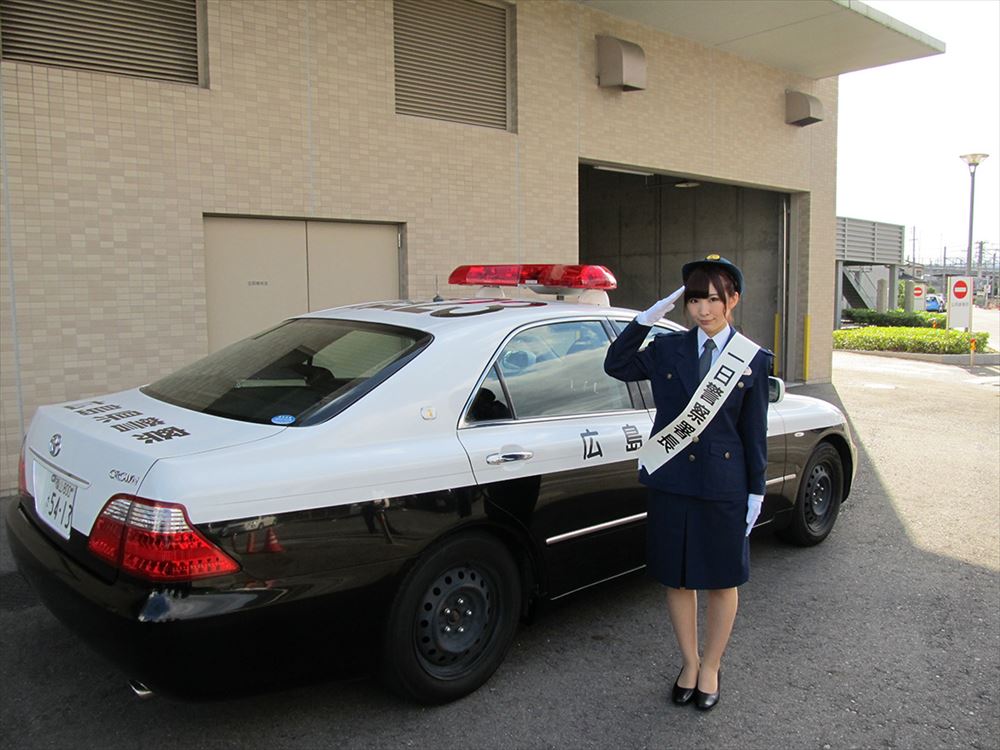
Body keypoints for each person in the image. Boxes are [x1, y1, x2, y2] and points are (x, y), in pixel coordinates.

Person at [604, 254, 771, 712]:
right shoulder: (667, 348)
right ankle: (689, 662)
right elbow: (616, 364)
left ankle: (712, 665)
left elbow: (753, 432)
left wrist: (756, 489)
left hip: (723, 485)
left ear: (733, 300)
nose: (703, 310)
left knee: (722, 580)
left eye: (713, 299)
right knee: (677, 579)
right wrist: (645, 319)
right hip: (673, 481)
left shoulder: (752, 360)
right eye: (695, 300)